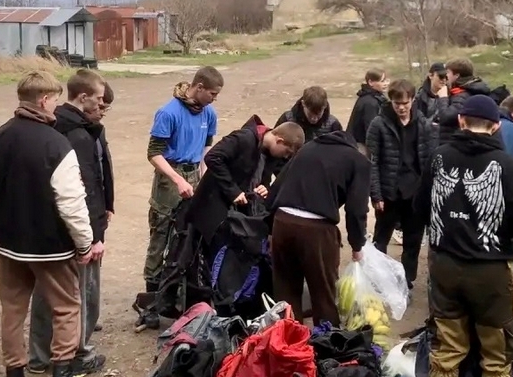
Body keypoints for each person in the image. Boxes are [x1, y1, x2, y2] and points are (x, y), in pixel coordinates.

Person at [415, 94, 513, 377]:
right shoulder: (506, 164)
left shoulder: (439, 157)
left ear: (461, 121)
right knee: (496, 345)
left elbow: (419, 207)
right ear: (497, 126)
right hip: (490, 270)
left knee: (448, 342)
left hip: (445, 265)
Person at [0, 71, 98, 377]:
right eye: (54, 99)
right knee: (66, 308)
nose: (56, 105)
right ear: (43, 100)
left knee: (12, 311)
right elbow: (71, 202)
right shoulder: (56, 144)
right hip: (51, 247)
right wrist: (84, 243)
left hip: (10, 245)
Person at [29, 69, 109, 377]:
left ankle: (38, 356)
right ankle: (77, 353)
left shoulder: (50, 127)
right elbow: (86, 188)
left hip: (47, 224)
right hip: (75, 226)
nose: (101, 105)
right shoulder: (78, 135)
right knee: (80, 292)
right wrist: (94, 235)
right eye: (99, 99)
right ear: (83, 97)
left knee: (44, 291)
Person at [266, 129, 371, 327]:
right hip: (316, 230)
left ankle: (287, 340)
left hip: (282, 222)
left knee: (286, 293)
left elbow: (276, 189)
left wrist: (270, 230)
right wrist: (357, 245)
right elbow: (356, 210)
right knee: (323, 293)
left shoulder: (307, 148)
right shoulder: (359, 161)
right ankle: (326, 341)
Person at [141, 67, 224, 306]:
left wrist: (204, 174)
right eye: (212, 93)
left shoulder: (209, 113)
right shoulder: (168, 113)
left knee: (188, 235)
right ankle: (151, 301)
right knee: (161, 236)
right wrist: (177, 179)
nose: (214, 99)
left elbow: (207, 146)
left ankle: (177, 294)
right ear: (199, 87)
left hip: (195, 172)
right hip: (170, 175)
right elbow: (154, 153)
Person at [186, 116, 304, 244]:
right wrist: (233, 191)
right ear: (279, 141)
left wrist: (264, 187)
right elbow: (213, 157)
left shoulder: (272, 154)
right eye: (287, 152)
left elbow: (262, 177)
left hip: (236, 214)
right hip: (211, 209)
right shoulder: (244, 138)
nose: (285, 157)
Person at [365, 79, 437, 289]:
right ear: (391, 101)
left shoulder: (423, 124)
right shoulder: (378, 124)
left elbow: (429, 160)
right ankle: (379, 278)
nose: (402, 108)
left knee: (413, 240)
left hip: (414, 192)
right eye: (397, 104)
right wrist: (376, 194)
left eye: (405, 103)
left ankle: (406, 281)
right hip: (390, 192)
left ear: (412, 100)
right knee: (381, 238)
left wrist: (428, 192)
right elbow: (371, 162)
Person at [87, 81, 116, 339]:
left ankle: (90, 314)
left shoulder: (98, 129)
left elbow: (104, 167)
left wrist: (109, 203)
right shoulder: (76, 134)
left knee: (96, 264)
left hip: (98, 208)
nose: (103, 112)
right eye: (101, 106)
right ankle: (82, 317)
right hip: (84, 210)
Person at [435, 58, 493, 140]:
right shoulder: (468, 91)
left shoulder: (462, 95)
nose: (445, 76)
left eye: (447, 72)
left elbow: (446, 117)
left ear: (456, 76)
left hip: (455, 140)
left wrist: (443, 98)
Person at [276, 85, 343, 143]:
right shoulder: (287, 120)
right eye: (310, 114)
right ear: (303, 104)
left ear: (325, 106)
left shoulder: (333, 125)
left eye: (318, 114)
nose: (314, 118)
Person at [347, 69, 389, 154]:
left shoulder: (370, 98)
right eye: (382, 81)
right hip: (361, 146)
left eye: (386, 80)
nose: (385, 84)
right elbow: (371, 129)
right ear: (371, 82)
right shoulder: (370, 103)